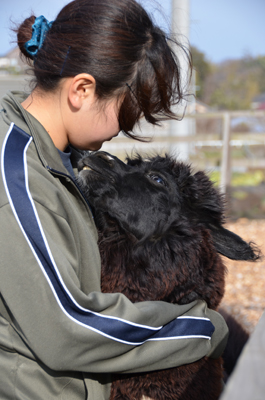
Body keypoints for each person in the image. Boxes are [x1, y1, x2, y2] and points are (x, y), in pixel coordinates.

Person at [0, 0, 228, 399]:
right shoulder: (17, 175)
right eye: (125, 114)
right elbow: (66, 327)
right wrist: (205, 327)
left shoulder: (54, 160)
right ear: (82, 89)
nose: (121, 130)